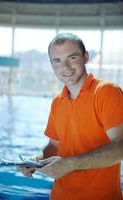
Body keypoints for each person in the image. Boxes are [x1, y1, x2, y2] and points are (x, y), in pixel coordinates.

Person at [19, 33, 123, 200]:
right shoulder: (57, 102)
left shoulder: (107, 92)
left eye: (72, 57)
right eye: (57, 60)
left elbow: (120, 146)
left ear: (85, 57)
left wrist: (71, 163)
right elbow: (54, 145)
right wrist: (35, 160)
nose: (65, 67)